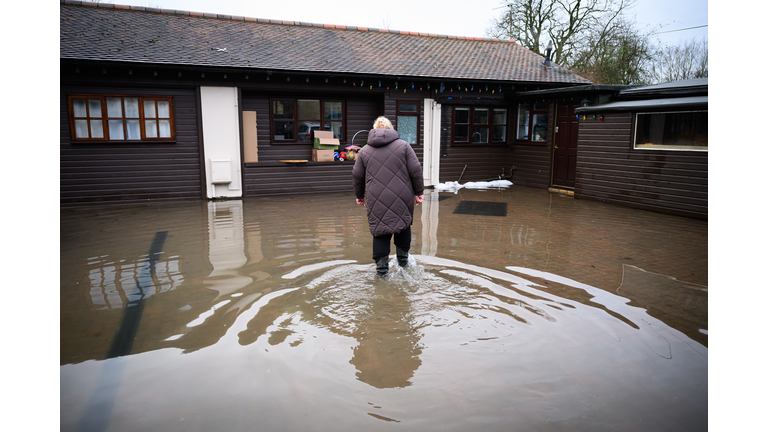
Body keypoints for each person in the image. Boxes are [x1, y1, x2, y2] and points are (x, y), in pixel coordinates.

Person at [353, 116, 424, 276]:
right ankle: (403, 265)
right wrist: (419, 192)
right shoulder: (404, 146)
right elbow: (416, 170)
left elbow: (357, 176)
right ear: (391, 129)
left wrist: (359, 195)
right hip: (402, 194)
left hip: (375, 197)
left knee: (380, 230)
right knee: (403, 225)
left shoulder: (364, 151)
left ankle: (382, 272)